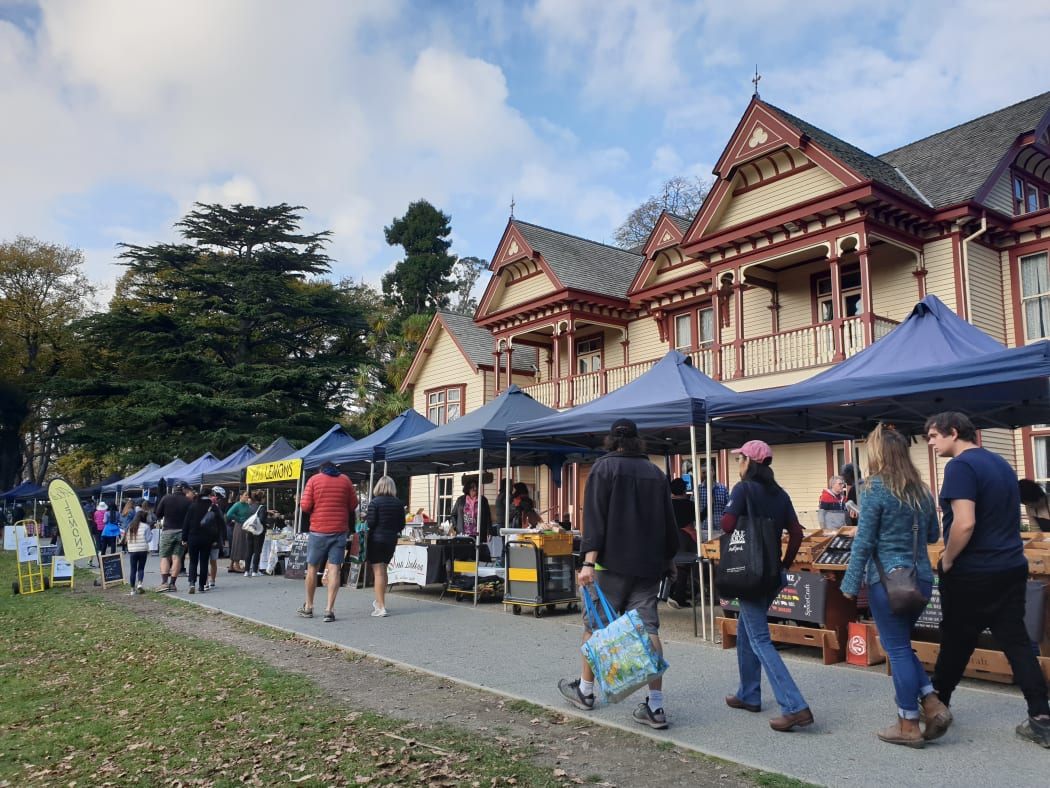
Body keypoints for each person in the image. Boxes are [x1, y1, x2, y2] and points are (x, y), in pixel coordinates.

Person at [924, 411, 1050, 748]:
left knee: (955, 641)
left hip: (974, 571)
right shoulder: (1000, 464)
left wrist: (947, 559)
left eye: (934, 436)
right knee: (1018, 643)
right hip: (1010, 565)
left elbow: (964, 523)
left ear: (953, 432)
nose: (931, 443)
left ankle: (938, 706)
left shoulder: (960, 467)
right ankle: (1041, 716)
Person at [557, 418, 679, 730]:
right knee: (648, 628)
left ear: (611, 441)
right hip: (649, 566)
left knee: (595, 626)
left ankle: (585, 691)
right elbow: (669, 520)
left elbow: (595, 518)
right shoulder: (655, 473)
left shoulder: (603, 468)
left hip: (608, 566)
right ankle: (656, 707)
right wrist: (669, 559)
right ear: (638, 441)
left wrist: (587, 562)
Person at [840, 424, 947, 748]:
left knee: (897, 648)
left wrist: (849, 581)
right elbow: (931, 535)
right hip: (921, 580)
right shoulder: (921, 489)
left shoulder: (873, 488)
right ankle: (931, 703)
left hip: (887, 581)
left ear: (878, 454)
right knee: (900, 644)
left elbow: (864, 541)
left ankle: (908, 723)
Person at [721, 439, 814, 732]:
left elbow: (726, 525)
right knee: (748, 632)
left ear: (750, 462)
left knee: (759, 638)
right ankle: (748, 694)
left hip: (750, 575)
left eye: (740, 459)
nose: (738, 464)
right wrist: (784, 563)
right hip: (773, 574)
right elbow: (797, 533)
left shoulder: (743, 489)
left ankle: (794, 706)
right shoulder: (780, 494)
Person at [298, 461, 359, 623]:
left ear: (321, 470)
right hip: (339, 531)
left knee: (312, 568)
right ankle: (329, 610)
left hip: (318, 531)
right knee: (334, 570)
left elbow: (305, 506)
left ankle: (309, 607)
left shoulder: (314, 480)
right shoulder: (345, 480)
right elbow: (353, 504)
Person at [365, 476, 403, 618]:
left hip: (376, 539)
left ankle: (381, 606)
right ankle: (380, 600)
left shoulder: (374, 502)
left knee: (378, 572)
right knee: (384, 570)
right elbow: (401, 525)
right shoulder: (398, 503)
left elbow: (371, 522)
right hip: (391, 539)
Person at [181, 486, 224, 594]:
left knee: (193, 561)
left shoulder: (193, 506)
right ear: (210, 495)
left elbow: (186, 523)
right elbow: (219, 524)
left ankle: (191, 582)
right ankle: (202, 585)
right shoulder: (213, 507)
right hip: (207, 538)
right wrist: (217, 539)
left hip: (193, 537)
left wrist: (184, 538)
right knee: (204, 562)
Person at [154, 481, 192, 592]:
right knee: (177, 558)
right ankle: (173, 583)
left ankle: (164, 582)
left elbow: (158, 514)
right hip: (182, 532)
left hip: (168, 531)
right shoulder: (188, 501)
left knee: (165, 556)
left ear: (173, 489)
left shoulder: (166, 498)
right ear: (183, 490)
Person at [668, 477, 696, 609]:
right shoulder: (688, 504)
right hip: (685, 536)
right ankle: (679, 597)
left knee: (672, 566)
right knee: (683, 568)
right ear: (683, 490)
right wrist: (709, 506)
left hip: (670, 537)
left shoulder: (667, 504)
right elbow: (697, 517)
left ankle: (668, 593)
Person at [695, 463, 729, 541]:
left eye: (707, 472)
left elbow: (728, 509)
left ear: (713, 472)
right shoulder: (697, 490)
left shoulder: (723, 489)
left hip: (719, 530)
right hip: (702, 530)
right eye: (703, 472)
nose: (705, 475)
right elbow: (693, 509)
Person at [124, 507, 153, 595]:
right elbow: (148, 539)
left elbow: (127, 539)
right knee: (141, 568)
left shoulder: (130, 526)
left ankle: (132, 589)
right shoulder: (146, 526)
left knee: (133, 569)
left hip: (133, 550)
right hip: (143, 549)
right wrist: (151, 534)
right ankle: (140, 583)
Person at [206, 486, 228, 589]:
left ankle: (211, 580)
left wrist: (223, 538)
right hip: (211, 538)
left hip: (210, 538)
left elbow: (222, 524)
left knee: (211, 561)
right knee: (210, 561)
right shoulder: (213, 508)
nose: (219, 500)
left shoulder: (216, 508)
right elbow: (222, 524)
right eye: (218, 498)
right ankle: (207, 581)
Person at [224, 490, 252, 574]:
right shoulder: (237, 504)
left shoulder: (247, 505)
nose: (247, 497)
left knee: (237, 544)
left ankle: (232, 565)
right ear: (241, 496)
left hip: (245, 526)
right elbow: (229, 514)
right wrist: (238, 519)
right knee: (239, 544)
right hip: (240, 526)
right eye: (245, 495)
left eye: (248, 495)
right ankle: (237, 565)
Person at [243, 490, 269, 577]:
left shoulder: (250, 506)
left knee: (249, 550)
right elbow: (261, 519)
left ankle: (246, 570)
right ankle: (254, 570)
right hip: (258, 531)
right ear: (262, 498)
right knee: (257, 551)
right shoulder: (262, 507)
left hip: (250, 530)